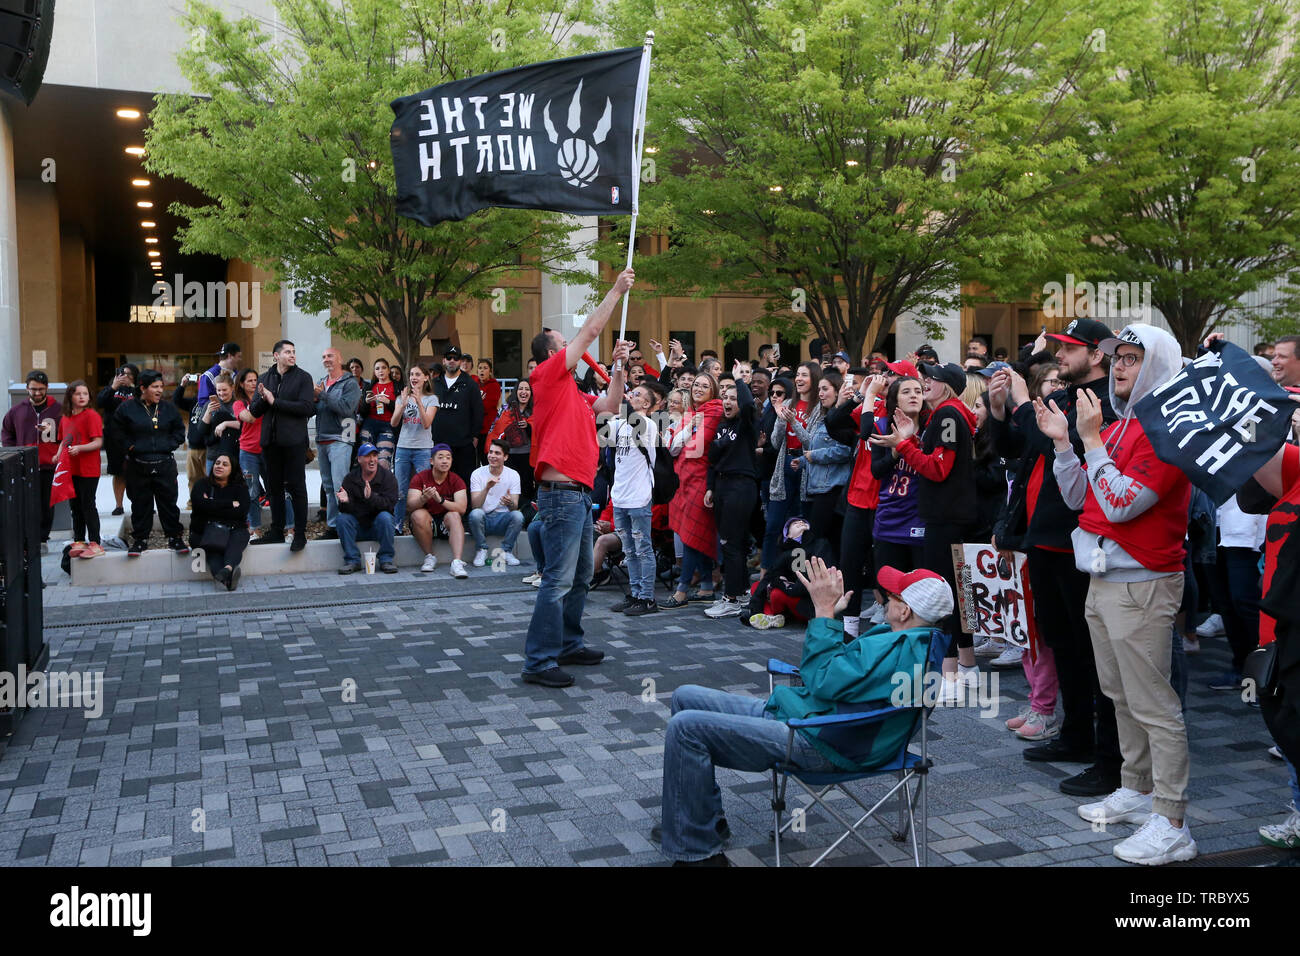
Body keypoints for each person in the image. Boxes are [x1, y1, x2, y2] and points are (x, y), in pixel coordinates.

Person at [656, 558, 952, 865]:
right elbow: (849, 676)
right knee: (685, 696)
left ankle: (700, 853)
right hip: (818, 721)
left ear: (905, 611)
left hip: (821, 741)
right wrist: (830, 619)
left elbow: (821, 678)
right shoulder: (917, 644)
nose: (882, 598)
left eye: (890, 596)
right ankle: (697, 823)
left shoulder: (900, 649)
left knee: (686, 728)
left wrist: (823, 612)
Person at [1046, 323, 1195, 865]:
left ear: (1157, 364)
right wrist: (1068, 443)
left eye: (1132, 358)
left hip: (1143, 582)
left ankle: (1173, 820)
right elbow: (1081, 495)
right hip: (1106, 578)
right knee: (1119, 694)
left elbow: (1123, 503)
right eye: (1119, 358)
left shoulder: (1170, 430)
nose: (1121, 368)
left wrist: (1086, 440)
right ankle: (1137, 789)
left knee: (1155, 705)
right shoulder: (1122, 426)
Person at [987, 317, 1123, 798]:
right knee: (1062, 645)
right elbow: (1013, 450)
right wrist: (1002, 410)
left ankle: (1109, 755)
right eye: (1057, 347)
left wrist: (1024, 405)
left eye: (1068, 348)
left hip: (1080, 544)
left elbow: (1062, 446)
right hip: (1041, 538)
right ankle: (1075, 736)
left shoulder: (1107, 400)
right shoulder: (1064, 396)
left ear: (1097, 353)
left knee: (1094, 654)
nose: (1058, 355)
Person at [521, 268, 636, 688]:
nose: (571, 345)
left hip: (577, 495)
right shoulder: (547, 376)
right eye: (562, 342)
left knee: (580, 577)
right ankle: (538, 661)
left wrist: (619, 368)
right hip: (562, 493)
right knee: (558, 579)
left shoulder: (571, 389)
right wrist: (616, 289)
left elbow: (609, 404)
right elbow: (589, 332)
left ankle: (567, 643)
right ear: (551, 352)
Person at [875, 362, 978, 703]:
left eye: (931, 379)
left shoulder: (948, 415)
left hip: (946, 519)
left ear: (947, 386)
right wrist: (912, 439)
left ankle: (947, 677)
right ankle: (968, 667)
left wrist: (904, 446)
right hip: (956, 516)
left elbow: (937, 468)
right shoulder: (950, 415)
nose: (924, 383)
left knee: (945, 595)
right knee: (961, 595)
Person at [241, 340, 315, 551]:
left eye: (294, 351)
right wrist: (264, 398)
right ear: (276, 356)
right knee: (273, 490)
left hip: (294, 443)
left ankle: (299, 534)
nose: (292, 355)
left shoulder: (303, 377)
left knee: (296, 488)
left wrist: (276, 401)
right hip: (270, 444)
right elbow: (254, 412)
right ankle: (276, 531)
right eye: (287, 352)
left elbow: (307, 408)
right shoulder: (265, 379)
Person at [701, 364, 760, 618]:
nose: (727, 401)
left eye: (732, 398)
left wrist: (739, 382)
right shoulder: (722, 426)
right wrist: (711, 487)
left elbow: (748, 405)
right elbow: (713, 458)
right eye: (724, 397)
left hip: (741, 486)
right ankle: (742, 591)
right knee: (731, 543)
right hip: (722, 486)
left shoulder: (747, 424)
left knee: (732, 544)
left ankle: (732, 598)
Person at [662, 372, 723, 609]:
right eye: (696, 384)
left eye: (704, 386)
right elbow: (673, 448)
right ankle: (706, 586)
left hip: (700, 479)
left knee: (691, 535)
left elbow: (701, 445)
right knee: (694, 535)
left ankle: (682, 589)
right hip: (682, 479)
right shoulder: (690, 414)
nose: (698, 388)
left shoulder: (715, 411)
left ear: (713, 391)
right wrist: (687, 431)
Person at [114, 370, 187, 555]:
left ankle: (175, 538)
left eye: (161, 386)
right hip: (138, 465)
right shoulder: (127, 408)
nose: (160, 390)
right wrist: (131, 447)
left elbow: (179, 430)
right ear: (143, 388)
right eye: (155, 387)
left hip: (164, 464)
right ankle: (140, 540)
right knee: (140, 504)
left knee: (168, 503)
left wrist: (168, 444)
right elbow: (117, 432)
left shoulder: (168, 408)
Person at [608, 383, 661, 616]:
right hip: (619, 497)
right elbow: (601, 424)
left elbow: (630, 417)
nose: (632, 396)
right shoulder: (620, 425)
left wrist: (622, 399)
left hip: (639, 499)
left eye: (637, 395)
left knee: (643, 549)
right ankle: (636, 593)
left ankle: (648, 598)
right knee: (628, 551)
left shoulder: (648, 424)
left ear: (647, 404)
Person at [763, 361, 821, 569]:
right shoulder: (788, 403)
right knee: (773, 524)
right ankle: (766, 572)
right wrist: (781, 419)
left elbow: (811, 442)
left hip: (805, 466)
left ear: (814, 378)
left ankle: (796, 571)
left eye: (804, 375)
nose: (798, 379)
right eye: (797, 375)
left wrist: (794, 421)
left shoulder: (819, 407)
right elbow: (775, 442)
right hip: (784, 464)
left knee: (800, 524)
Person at [790, 369, 853, 562]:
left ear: (838, 392)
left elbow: (845, 451)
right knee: (830, 541)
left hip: (832, 488)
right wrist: (802, 460)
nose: (821, 394)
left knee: (816, 538)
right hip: (818, 488)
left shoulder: (843, 420)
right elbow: (814, 449)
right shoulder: (822, 420)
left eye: (825, 389)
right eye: (819, 389)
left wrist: (813, 456)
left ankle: (815, 584)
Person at [2, 370, 62, 547]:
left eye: (41, 389)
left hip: (48, 465)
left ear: (47, 388)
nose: (37, 393)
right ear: (27, 388)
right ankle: (28, 540)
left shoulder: (58, 409)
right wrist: (13, 453)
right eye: (33, 389)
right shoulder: (16, 411)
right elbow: (7, 433)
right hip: (24, 465)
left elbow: (68, 435)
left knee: (46, 505)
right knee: (25, 505)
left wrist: (51, 433)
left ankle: (43, 538)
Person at [315, 346, 362, 539]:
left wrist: (322, 395)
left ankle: (345, 525)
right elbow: (315, 409)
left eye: (330, 356)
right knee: (328, 487)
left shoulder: (350, 383)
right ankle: (334, 526)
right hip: (322, 439)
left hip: (341, 439)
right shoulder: (321, 382)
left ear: (340, 358)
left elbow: (345, 408)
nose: (326, 359)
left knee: (339, 486)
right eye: (324, 356)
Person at [189, 453, 251, 591]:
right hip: (204, 532)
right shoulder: (201, 484)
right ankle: (229, 573)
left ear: (232, 469)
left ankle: (226, 572)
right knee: (213, 551)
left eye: (225, 464)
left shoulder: (240, 487)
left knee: (238, 537)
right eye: (217, 463)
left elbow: (241, 512)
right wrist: (229, 504)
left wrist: (211, 504)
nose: (219, 466)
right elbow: (200, 505)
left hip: (233, 530)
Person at [336, 442, 400, 574]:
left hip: (379, 527)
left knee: (386, 518)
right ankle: (352, 560)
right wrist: (346, 502)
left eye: (375, 456)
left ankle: (386, 560)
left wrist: (371, 497)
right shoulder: (350, 478)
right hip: (358, 526)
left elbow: (389, 505)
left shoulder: (388, 477)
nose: (372, 460)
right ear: (359, 459)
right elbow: (344, 510)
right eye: (367, 456)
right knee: (342, 519)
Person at [408, 444, 470, 577]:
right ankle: (430, 557)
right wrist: (423, 498)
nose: (445, 461)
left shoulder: (456, 480)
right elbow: (410, 506)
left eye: (448, 458)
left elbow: (462, 508)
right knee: (417, 514)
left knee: (455, 515)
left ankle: (457, 562)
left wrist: (440, 500)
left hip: (446, 523)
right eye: (440, 457)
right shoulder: (420, 478)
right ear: (431, 461)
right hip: (426, 523)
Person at [59, 381, 105, 559]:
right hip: (72, 468)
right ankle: (79, 540)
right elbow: (64, 440)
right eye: (78, 393)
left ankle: (95, 542)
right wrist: (58, 455)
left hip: (88, 469)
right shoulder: (65, 416)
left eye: (85, 394)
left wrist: (80, 448)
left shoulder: (92, 415)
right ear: (70, 396)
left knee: (88, 505)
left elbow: (98, 442)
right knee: (75, 507)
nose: (82, 397)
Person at [391, 362, 439, 532]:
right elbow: (394, 422)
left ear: (426, 377)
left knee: (424, 489)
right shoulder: (402, 397)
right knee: (400, 489)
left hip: (423, 449)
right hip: (403, 447)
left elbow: (427, 423)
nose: (413, 378)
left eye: (418, 374)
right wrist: (403, 404)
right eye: (411, 374)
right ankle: (397, 525)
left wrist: (419, 401)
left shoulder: (432, 399)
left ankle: (423, 523)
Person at [431, 345, 485, 488]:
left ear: (460, 362)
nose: (452, 361)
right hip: (438, 443)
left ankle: (465, 510)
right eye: (449, 358)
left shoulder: (470, 384)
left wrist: (474, 436)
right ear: (443, 361)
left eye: (456, 358)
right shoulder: (434, 384)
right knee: (439, 482)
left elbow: (478, 412)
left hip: (463, 444)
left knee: (463, 482)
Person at [468, 439, 524, 566]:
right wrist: (487, 488)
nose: (492, 456)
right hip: (484, 518)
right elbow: (475, 506)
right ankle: (481, 549)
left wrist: (509, 503)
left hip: (502, 518)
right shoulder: (477, 473)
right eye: (491, 452)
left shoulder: (513, 475)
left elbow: (514, 507)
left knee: (518, 516)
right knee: (475, 514)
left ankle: (507, 551)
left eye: (497, 453)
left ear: (505, 457)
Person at [96, 364, 139, 515]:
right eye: (122, 373)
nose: (125, 377)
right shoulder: (111, 389)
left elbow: (146, 403)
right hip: (114, 438)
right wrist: (113, 387)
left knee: (138, 473)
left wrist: (134, 387)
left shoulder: (138, 390)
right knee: (118, 472)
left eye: (129, 374)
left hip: (135, 436)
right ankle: (119, 505)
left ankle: (140, 504)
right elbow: (100, 402)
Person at [487, 379, 534, 511]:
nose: (523, 392)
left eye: (527, 389)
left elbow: (540, 430)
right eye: (521, 389)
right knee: (507, 485)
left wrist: (528, 426)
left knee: (526, 487)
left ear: (531, 393)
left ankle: (525, 515)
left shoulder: (535, 410)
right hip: (509, 456)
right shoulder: (506, 409)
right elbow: (498, 429)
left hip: (528, 456)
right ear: (516, 391)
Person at [192, 372, 241, 472]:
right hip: (214, 453)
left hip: (235, 452)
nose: (221, 393)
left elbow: (245, 425)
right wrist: (208, 412)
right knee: (214, 486)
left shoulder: (238, 403)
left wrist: (225, 424)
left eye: (224, 390)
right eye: (218, 390)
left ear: (232, 388)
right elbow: (201, 430)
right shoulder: (209, 404)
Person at [359, 359, 397, 470]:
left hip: (388, 425)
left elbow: (401, 408)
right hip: (369, 424)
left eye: (384, 368)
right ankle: (366, 486)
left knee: (383, 462)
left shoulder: (396, 386)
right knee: (366, 460)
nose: (381, 371)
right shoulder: (370, 387)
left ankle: (382, 486)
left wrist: (388, 402)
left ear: (389, 370)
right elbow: (363, 411)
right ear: (374, 372)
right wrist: (366, 402)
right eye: (377, 368)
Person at [477, 359, 501, 463]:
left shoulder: (494, 385)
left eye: (485, 368)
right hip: (475, 429)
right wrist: (480, 400)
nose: (482, 371)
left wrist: (476, 402)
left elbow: (487, 406)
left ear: (490, 371)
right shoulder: (474, 384)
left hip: (487, 428)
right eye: (480, 368)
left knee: (486, 457)